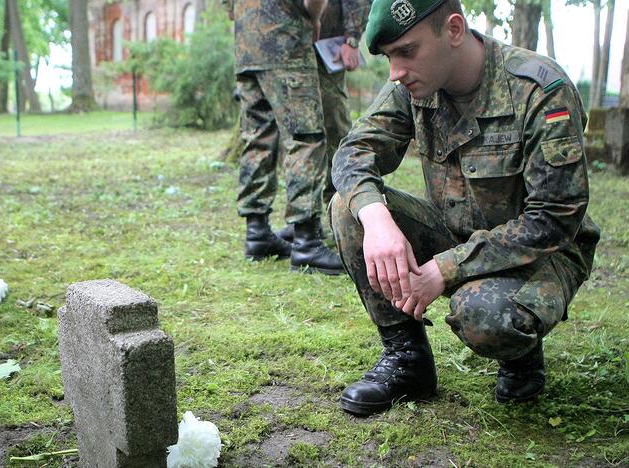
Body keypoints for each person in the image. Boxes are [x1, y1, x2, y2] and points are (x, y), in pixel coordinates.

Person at [328, 0, 600, 416]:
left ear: (454, 30)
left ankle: (520, 354)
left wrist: (442, 269)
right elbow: (355, 151)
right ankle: (408, 360)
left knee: (484, 315)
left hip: (541, 254)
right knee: (350, 209)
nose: (395, 71)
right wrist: (376, 216)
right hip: (454, 231)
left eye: (407, 51)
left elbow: (553, 218)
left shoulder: (539, 90)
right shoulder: (412, 85)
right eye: (389, 56)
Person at [228, 0, 344, 275]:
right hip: (286, 41)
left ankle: (256, 233)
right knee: (306, 136)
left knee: (258, 136)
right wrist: (313, 18)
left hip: (247, 46)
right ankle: (306, 241)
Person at [276, 0, 372, 245]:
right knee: (299, 133)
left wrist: (352, 39)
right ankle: (304, 220)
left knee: (334, 130)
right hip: (291, 44)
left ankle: (340, 215)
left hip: (325, 46)